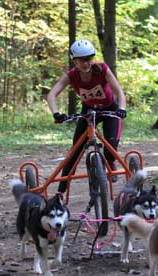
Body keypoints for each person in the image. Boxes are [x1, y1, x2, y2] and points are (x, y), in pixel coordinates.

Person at [47, 39, 127, 195]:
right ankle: (60, 194)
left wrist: (122, 109)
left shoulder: (102, 69)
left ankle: (110, 162)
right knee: (74, 153)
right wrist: (56, 114)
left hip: (110, 111)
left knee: (110, 151)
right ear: (74, 61)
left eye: (89, 59)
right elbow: (51, 95)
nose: (86, 63)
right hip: (89, 112)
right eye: (81, 60)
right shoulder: (71, 76)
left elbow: (119, 92)